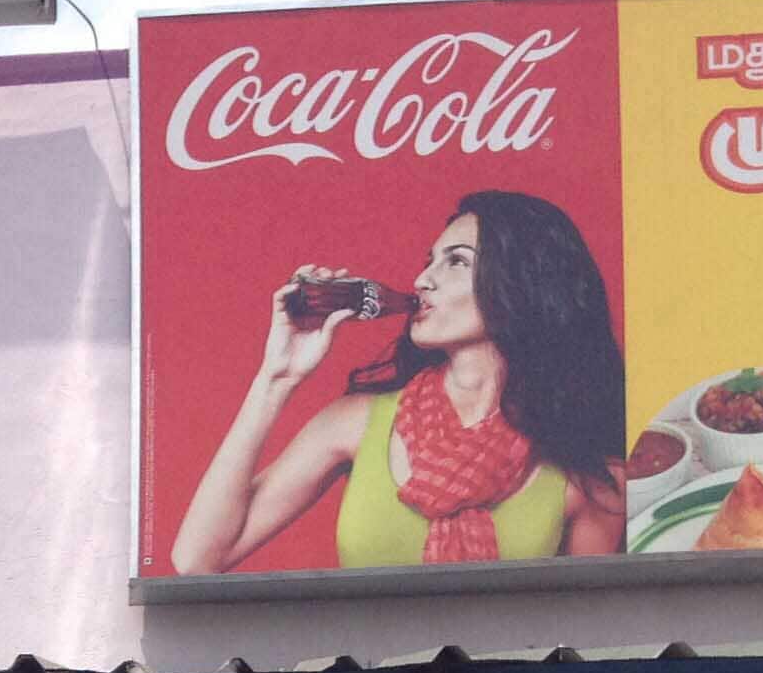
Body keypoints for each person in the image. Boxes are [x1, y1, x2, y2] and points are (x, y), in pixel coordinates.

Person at [171, 189, 626, 575]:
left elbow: (584, 641)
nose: (422, 279)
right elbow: (196, 559)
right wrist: (277, 376)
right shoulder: (355, 423)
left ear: (526, 283)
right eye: (430, 261)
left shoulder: (587, 476)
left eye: (456, 262)